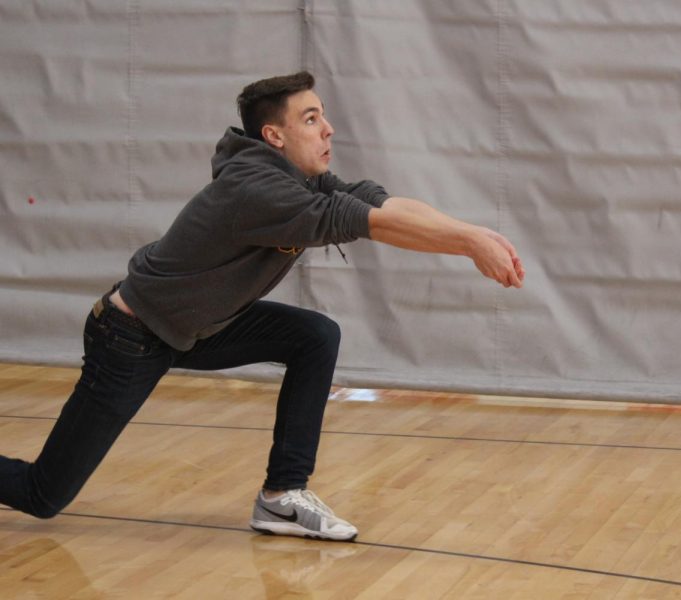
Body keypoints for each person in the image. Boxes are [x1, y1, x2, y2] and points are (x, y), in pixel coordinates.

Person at [0, 71, 525, 541]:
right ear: (274, 136)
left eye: (323, 117)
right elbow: (375, 225)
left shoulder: (297, 178)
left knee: (314, 336)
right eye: (312, 119)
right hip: (130, 338)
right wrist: (466, 245)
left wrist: (470, 233)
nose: (328, 130)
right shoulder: (256, 189)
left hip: (199, 327)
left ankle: (281, 497)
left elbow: (381, 204)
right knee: (44, 495)